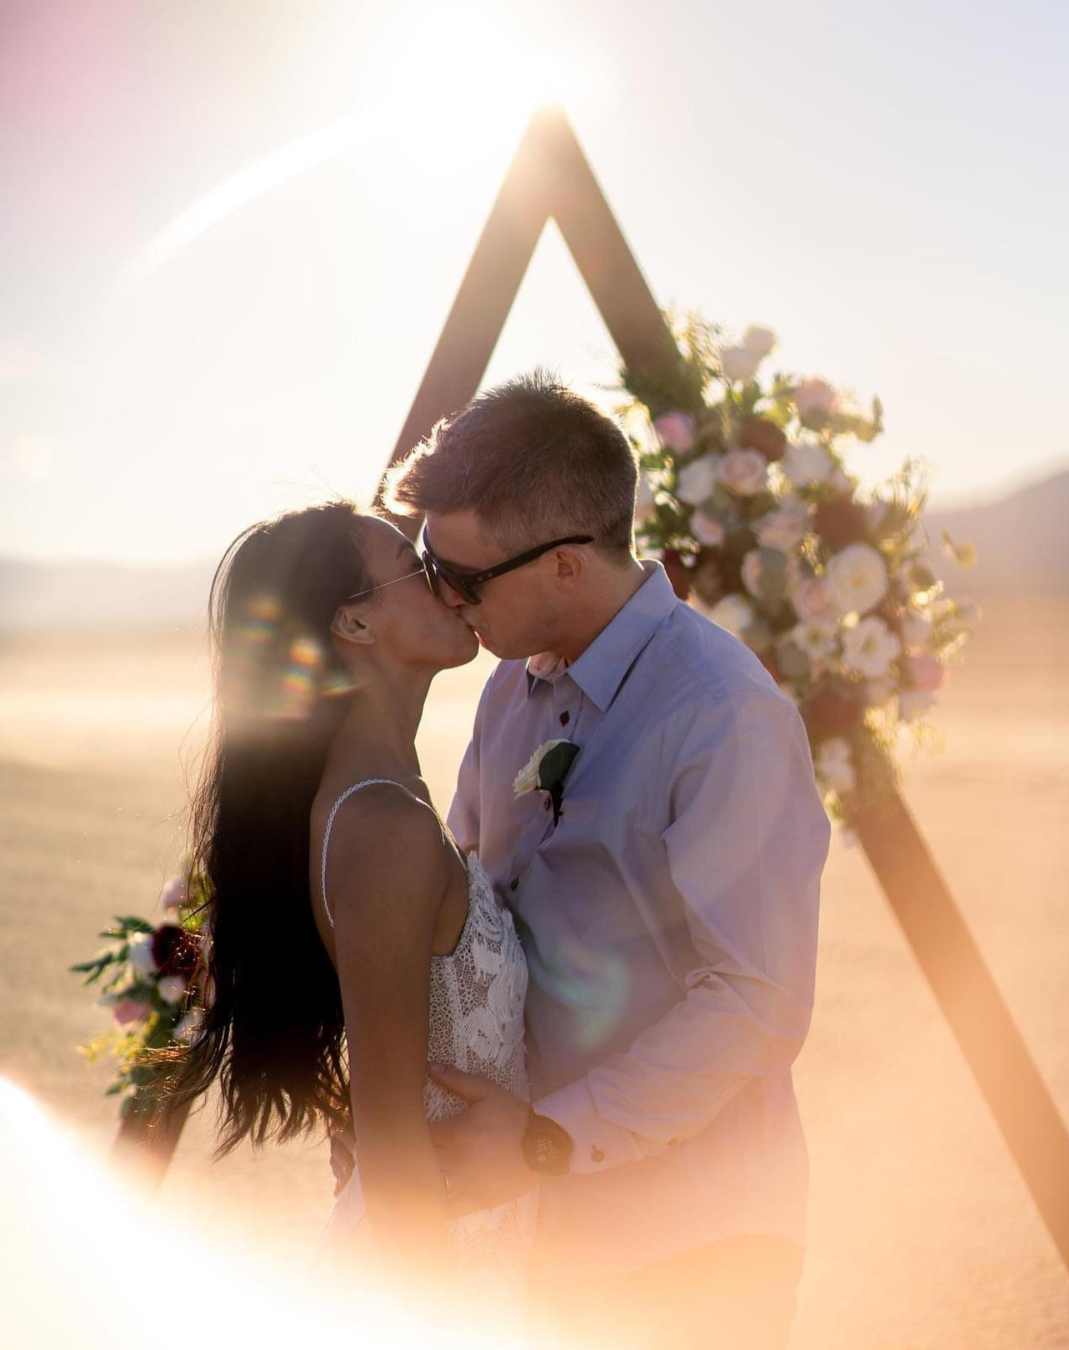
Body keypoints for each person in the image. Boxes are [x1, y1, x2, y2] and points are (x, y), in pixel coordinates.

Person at [372, 371, 832, 1348]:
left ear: (568, 565)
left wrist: (546, 1140)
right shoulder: (507, 691)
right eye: (428, 565)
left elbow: (757, 998)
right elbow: (467, 900)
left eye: (464, 576)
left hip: (695, 1243)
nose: (443, 597)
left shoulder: (721, 715)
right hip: (545, 1239)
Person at [156, 500, 533, 1296]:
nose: (448, 583)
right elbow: (392, 1138)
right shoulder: (382, 826)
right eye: (416, 567)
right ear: (354, 626)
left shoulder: (383, 804)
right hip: (430, 1268)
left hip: (462, 1235)